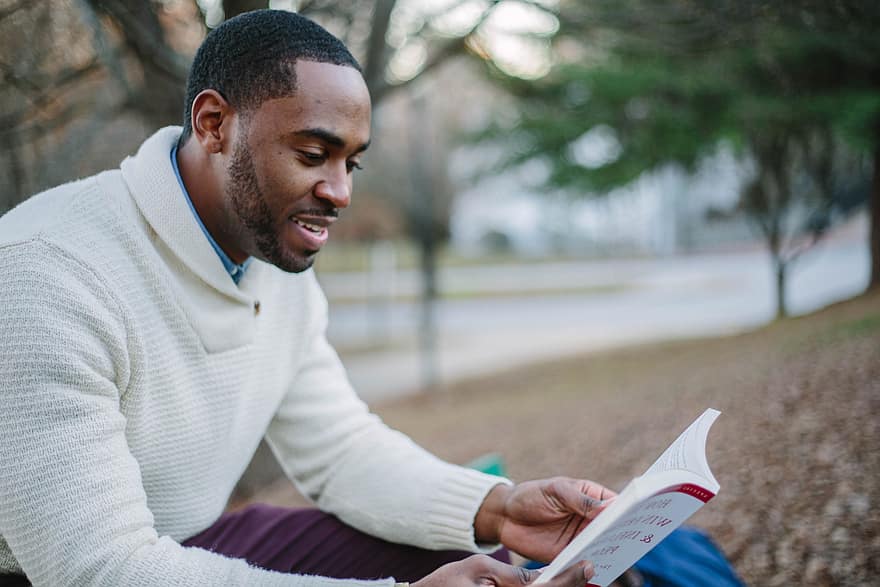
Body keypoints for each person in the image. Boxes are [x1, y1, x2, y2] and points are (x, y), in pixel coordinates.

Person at [0, 10, 613, 587]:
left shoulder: (270, 260)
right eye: (314, 155)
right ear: (214, 124)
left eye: (352, 163)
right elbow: (100, 571)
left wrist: (499, 508)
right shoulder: (48, 277)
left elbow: (341, 451)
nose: (340, 192)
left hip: (186, 541)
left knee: (465, 553)